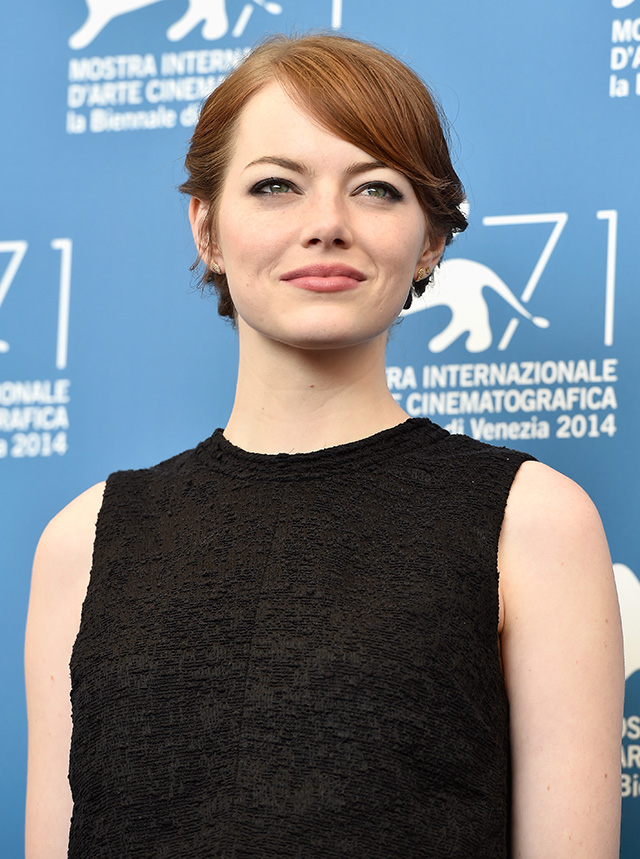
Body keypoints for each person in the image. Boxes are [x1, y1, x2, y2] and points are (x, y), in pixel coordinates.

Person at [25, 33, 624, 859]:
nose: (328, 225)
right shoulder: (84, 541)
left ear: (430, 242)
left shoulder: (535, 523)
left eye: (376, 188)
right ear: (207, 227)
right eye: (275, 185)